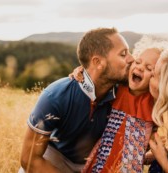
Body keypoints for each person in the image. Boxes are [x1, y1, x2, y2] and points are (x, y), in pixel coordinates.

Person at [19, 27, 134, 173]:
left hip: (98, 161)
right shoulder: (55, 95)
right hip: (55, 158)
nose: (131, 58)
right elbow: (29, 159)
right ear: (97, 62)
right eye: (123, 54)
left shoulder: (126, 90)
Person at [70, 36, 168, 173]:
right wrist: (82, 71)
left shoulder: (154, 100)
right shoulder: (118, 88)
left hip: (130, 167)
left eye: (148, 68)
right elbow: (99, 75)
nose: (140, 68)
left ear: (157, 77)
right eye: (138, 62)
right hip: (103, 158)